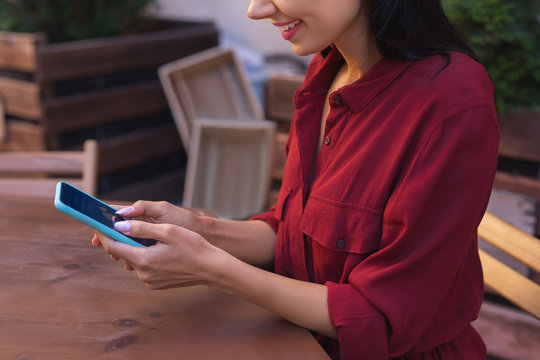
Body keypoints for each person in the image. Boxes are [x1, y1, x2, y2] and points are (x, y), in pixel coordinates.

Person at [92, 0, 499, 358]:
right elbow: (294, 230)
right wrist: (199, 230)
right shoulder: (327, 68)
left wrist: (211, 268)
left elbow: (381, 317)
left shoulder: (452, 100)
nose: (256, 9)